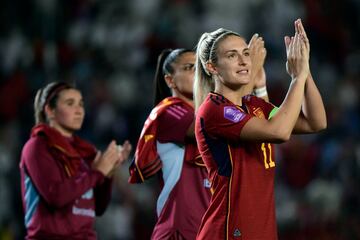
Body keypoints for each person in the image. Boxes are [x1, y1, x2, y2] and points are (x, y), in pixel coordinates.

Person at [193, 19, 327, 240]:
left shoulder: (254, 106)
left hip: (261, 230)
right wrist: (296, 79)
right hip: (229, 231)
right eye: (231, 55)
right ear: (212, 67)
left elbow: (316, 122)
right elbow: (279, 132)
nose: (244, 61)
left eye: (246, 54)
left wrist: (305, 71)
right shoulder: (215, 109)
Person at [19, 82, 132, 240]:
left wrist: (108, 173)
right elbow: (56, 197)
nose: (79, 110)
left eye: (81, 104)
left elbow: (98, 207)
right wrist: (98, 172)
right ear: (50, 111)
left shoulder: (85, 152)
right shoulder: (37, 146)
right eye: (70, 103)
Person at [128, 49, 212, 240]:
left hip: (206, 228)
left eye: (199, 68)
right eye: (189, 68)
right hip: (178, 230)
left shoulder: (211, 113)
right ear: (170, 81)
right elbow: (205, 128)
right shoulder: (169, 112)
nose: (197, 73)